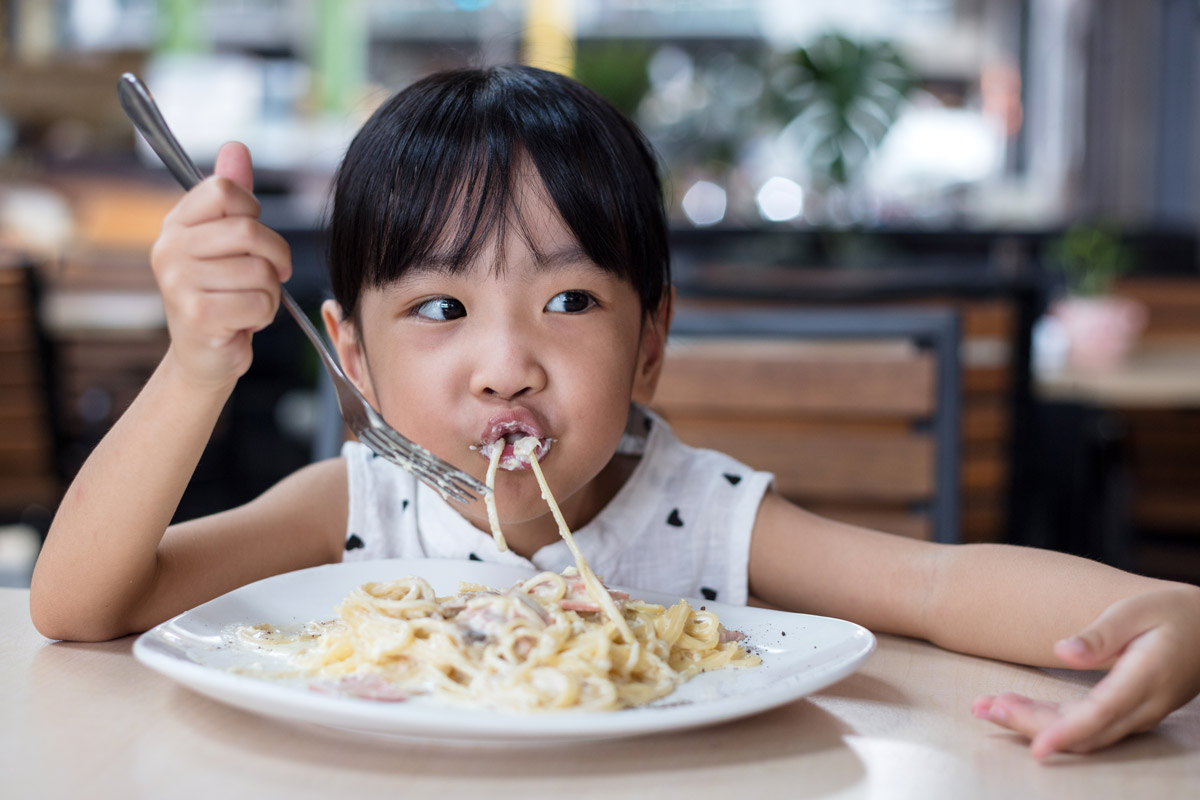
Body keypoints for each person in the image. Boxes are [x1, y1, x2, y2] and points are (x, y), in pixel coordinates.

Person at [30, 65, 1200, 759]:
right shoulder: (355, 503)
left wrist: (1152, 615)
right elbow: (85, 603)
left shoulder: (694, 513)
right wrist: (197, 363)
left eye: (569, 299)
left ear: (649, 345)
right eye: (440, 305)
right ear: (353, 358)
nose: (505, 364)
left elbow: (936, 587)